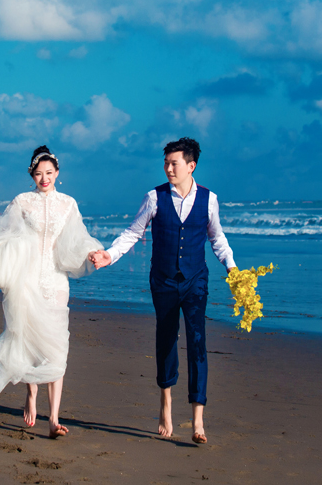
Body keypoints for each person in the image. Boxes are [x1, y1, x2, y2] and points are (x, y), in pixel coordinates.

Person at [88, 137, 236, 445]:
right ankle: (166, 401)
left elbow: (217, 237)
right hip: (164, 281)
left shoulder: (209, 200)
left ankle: (198, 418)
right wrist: (109, 256)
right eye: (166, 163)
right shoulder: (154, 198)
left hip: (195, 280)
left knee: (197, 342)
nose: (168, 168)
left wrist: (232, 267)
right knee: (167, 338)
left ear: (191, 166)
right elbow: (133, 232)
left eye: (174, 163)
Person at [0, 145, 102, 439]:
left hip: (56, 280)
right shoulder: (22, 201)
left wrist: (91, 253)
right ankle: (31, 393)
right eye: (38, 174)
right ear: (31, 175)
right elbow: (5, 234)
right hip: (27, 279)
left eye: (49, 173)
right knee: (28, 339)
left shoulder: (68, 204)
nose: (44, 178)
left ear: (57, 173)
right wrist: (6, 243)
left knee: (57, 346)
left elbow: (78, 239)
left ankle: (54, 419)